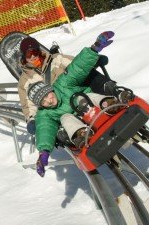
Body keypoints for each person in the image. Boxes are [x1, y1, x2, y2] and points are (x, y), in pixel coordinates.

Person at [27, 31, 128, 177]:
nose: (48, 101)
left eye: (47, 95)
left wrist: (95, 48)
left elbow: (77, 68)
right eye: (43, 102)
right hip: (79, 123)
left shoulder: (62, 84)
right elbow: (44, 129)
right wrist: (44, 152)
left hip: (93, 106)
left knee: (84, 97)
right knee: (65, 117)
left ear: (50, 89)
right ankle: (81, 134)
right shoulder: (45, 113)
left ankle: (109, 104)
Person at [17, 36, 117, 136]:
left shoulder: (56, 59)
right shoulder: (24, 81)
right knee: (58, 120)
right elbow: (29, 105)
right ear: (24, 56)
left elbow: (77, 66)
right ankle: (78, 135)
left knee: (89, 74)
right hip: (57, 108)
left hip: (78, 93)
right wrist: (32, 120)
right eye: (29, 54)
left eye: (35, 52)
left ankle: (110, 90)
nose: (33, 56)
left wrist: (95, 59)